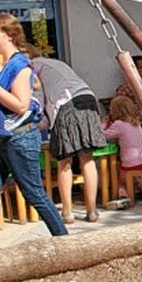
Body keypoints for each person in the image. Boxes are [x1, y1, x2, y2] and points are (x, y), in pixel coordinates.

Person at [0, 13, 67, 254]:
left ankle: (65, 243)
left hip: (19, 139)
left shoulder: (20, 65)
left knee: (33, 192)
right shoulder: (1, 66)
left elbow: (21, 104)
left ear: (10, 35)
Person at [29, 47, 106, 223]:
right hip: (87, 99)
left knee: (65, 160)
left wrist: (36, 122)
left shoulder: (33, 67)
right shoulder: (55, 63)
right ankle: (92, 210)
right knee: (87, 158)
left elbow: (39, 98)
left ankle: (67, 212)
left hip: (66, 104)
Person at [102, 95, 142, 200]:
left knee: (122, 175)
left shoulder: (118, 124)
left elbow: (105, 136)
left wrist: (103, 124)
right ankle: (140, 188)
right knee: (132, 168)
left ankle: (122, 194)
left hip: (130, 163)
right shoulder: (135, 122)